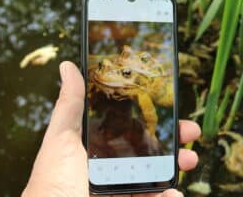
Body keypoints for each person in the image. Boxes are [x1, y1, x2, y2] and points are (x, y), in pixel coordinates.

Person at [22, 61, 201, 197]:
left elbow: (151, 117)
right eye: (102, 66)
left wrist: (152, 132)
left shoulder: (139, 97)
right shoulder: (99, 102)